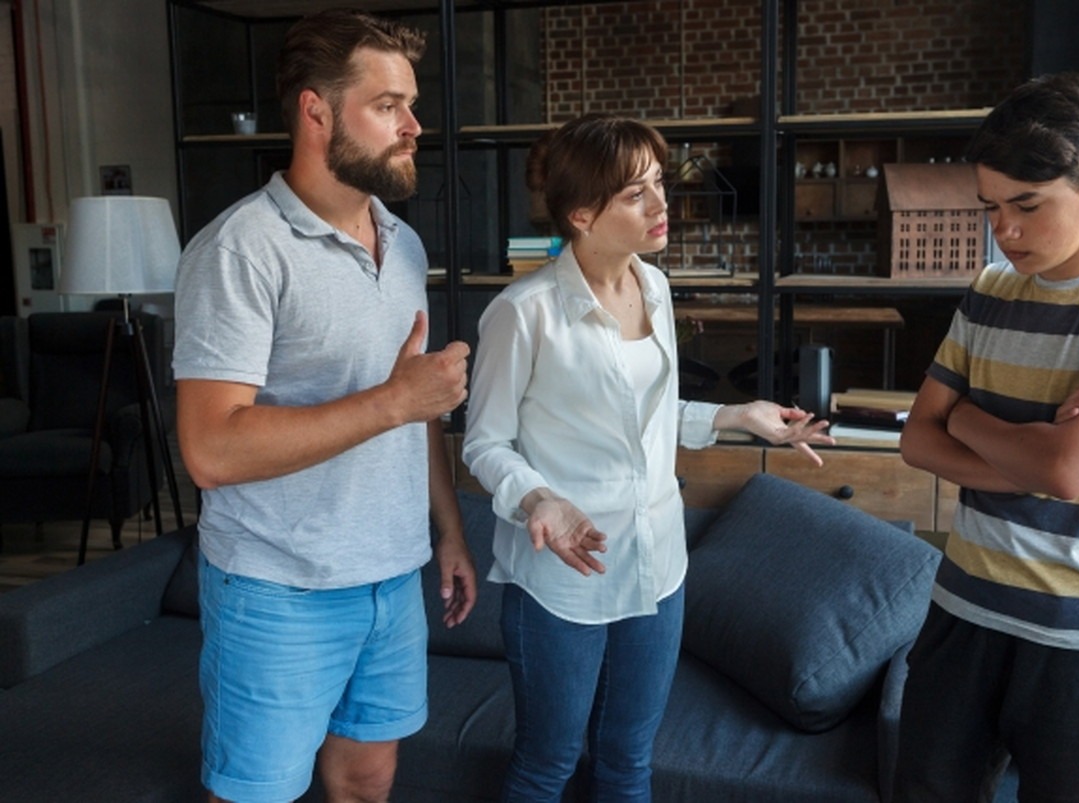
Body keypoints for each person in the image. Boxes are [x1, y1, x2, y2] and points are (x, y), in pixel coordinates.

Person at [462, 114, 835, 801]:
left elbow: (648, 422)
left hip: (657, 565)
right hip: (562, 575)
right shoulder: (524, 311)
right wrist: (538, 497)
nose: (662, 206)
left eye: (659, 183)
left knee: (629, 760)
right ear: (581, 213)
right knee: (546, 764)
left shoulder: (654, 288)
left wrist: (735, 415)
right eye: (636, 194)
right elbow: (483, 440)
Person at [172, 10, 477, 803]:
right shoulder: (240, 249)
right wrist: (390, 401)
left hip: (391, 573)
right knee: (255, 792)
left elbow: (417, 412)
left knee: (368, 776)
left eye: (410, 103)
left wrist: (447, 532)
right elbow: (210, 448)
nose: (414, 125)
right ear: (316, 112)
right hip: (278, 585)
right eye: (387, 105)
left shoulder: (401, 243)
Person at [893, 72, 1079, 802]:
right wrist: (1014, 441)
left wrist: (965, 418)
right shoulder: (991, 289)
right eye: (992, 208)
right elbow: (917, 441)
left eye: (1026, 206)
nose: (1005, 231)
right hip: (961, 611)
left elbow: (1067, 470)